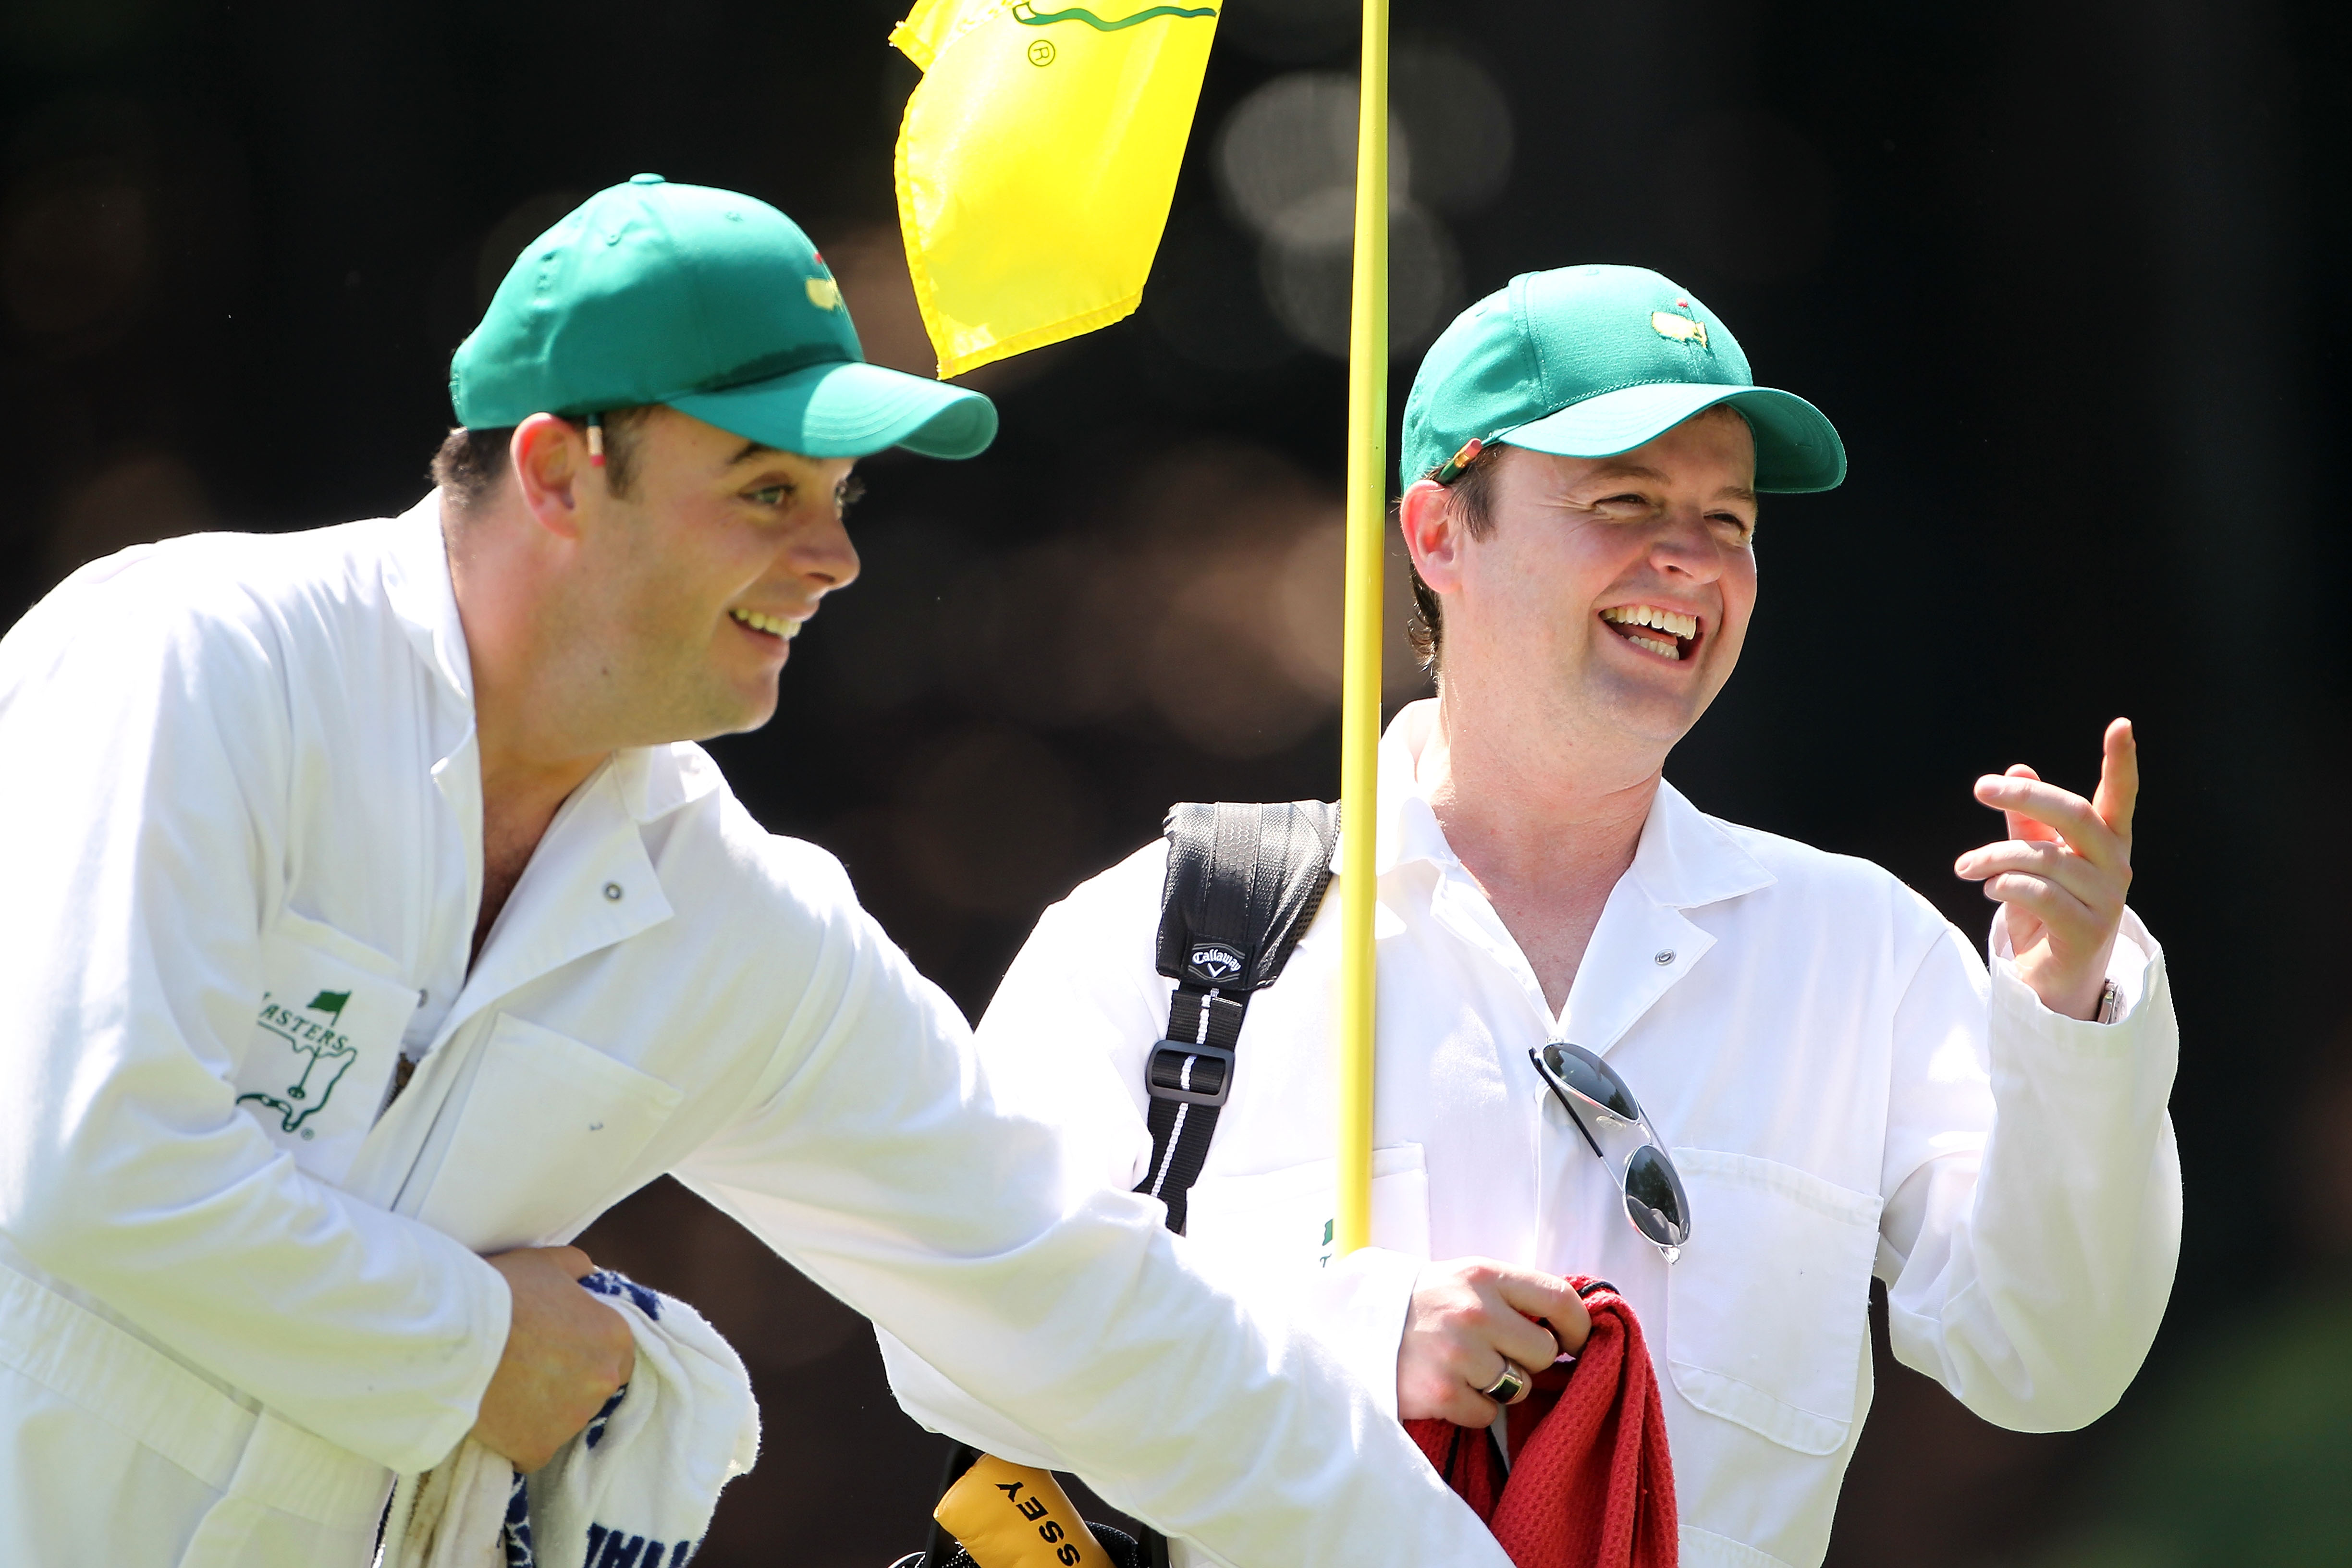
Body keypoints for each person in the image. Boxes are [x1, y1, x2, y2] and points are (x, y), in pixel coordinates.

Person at [0, 175, 1524, 1568]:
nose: (835, 558)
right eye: (764, 491)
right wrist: (479, 1348)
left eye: (838, 498)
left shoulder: (734, 915)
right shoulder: (195, 661)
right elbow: (89, 1166)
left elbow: (1090, 1308)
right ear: (558, 471)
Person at [879, 264, 2182, 1568]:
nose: (1692, 559)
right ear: (1439, 533)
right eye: (1624, 501)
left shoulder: (1865, 956)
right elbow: (947, 1329)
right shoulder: (1178, 933)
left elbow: (2049, 1359)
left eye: (1729, 520)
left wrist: (2072, 1021)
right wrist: (1353, 1335)